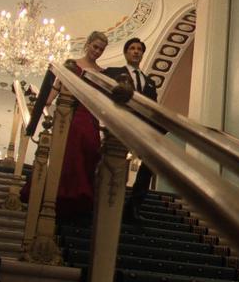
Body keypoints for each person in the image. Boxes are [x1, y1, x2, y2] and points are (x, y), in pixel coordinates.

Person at [22, 31, 108, 220]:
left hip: (90, 118)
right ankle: (57, 196)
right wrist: (44, 104)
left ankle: (79, 200)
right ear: (87, 44)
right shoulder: (71, 64)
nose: (97, 51)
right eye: (95, 47)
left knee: (90, 152)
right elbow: (56, 88)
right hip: (70, 115)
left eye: (101, 49)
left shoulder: (102, 72)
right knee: (68, 153)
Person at [104, 37, 160, 223]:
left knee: (152, 160)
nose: (136, 51)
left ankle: (134, 205)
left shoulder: (150, 82)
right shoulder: (113, 72)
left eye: (139, 49)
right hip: (118, 124)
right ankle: (106, 202)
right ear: (126, 52)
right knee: (112, 160)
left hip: (141, 128)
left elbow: (153, 108)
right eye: (132, 48)